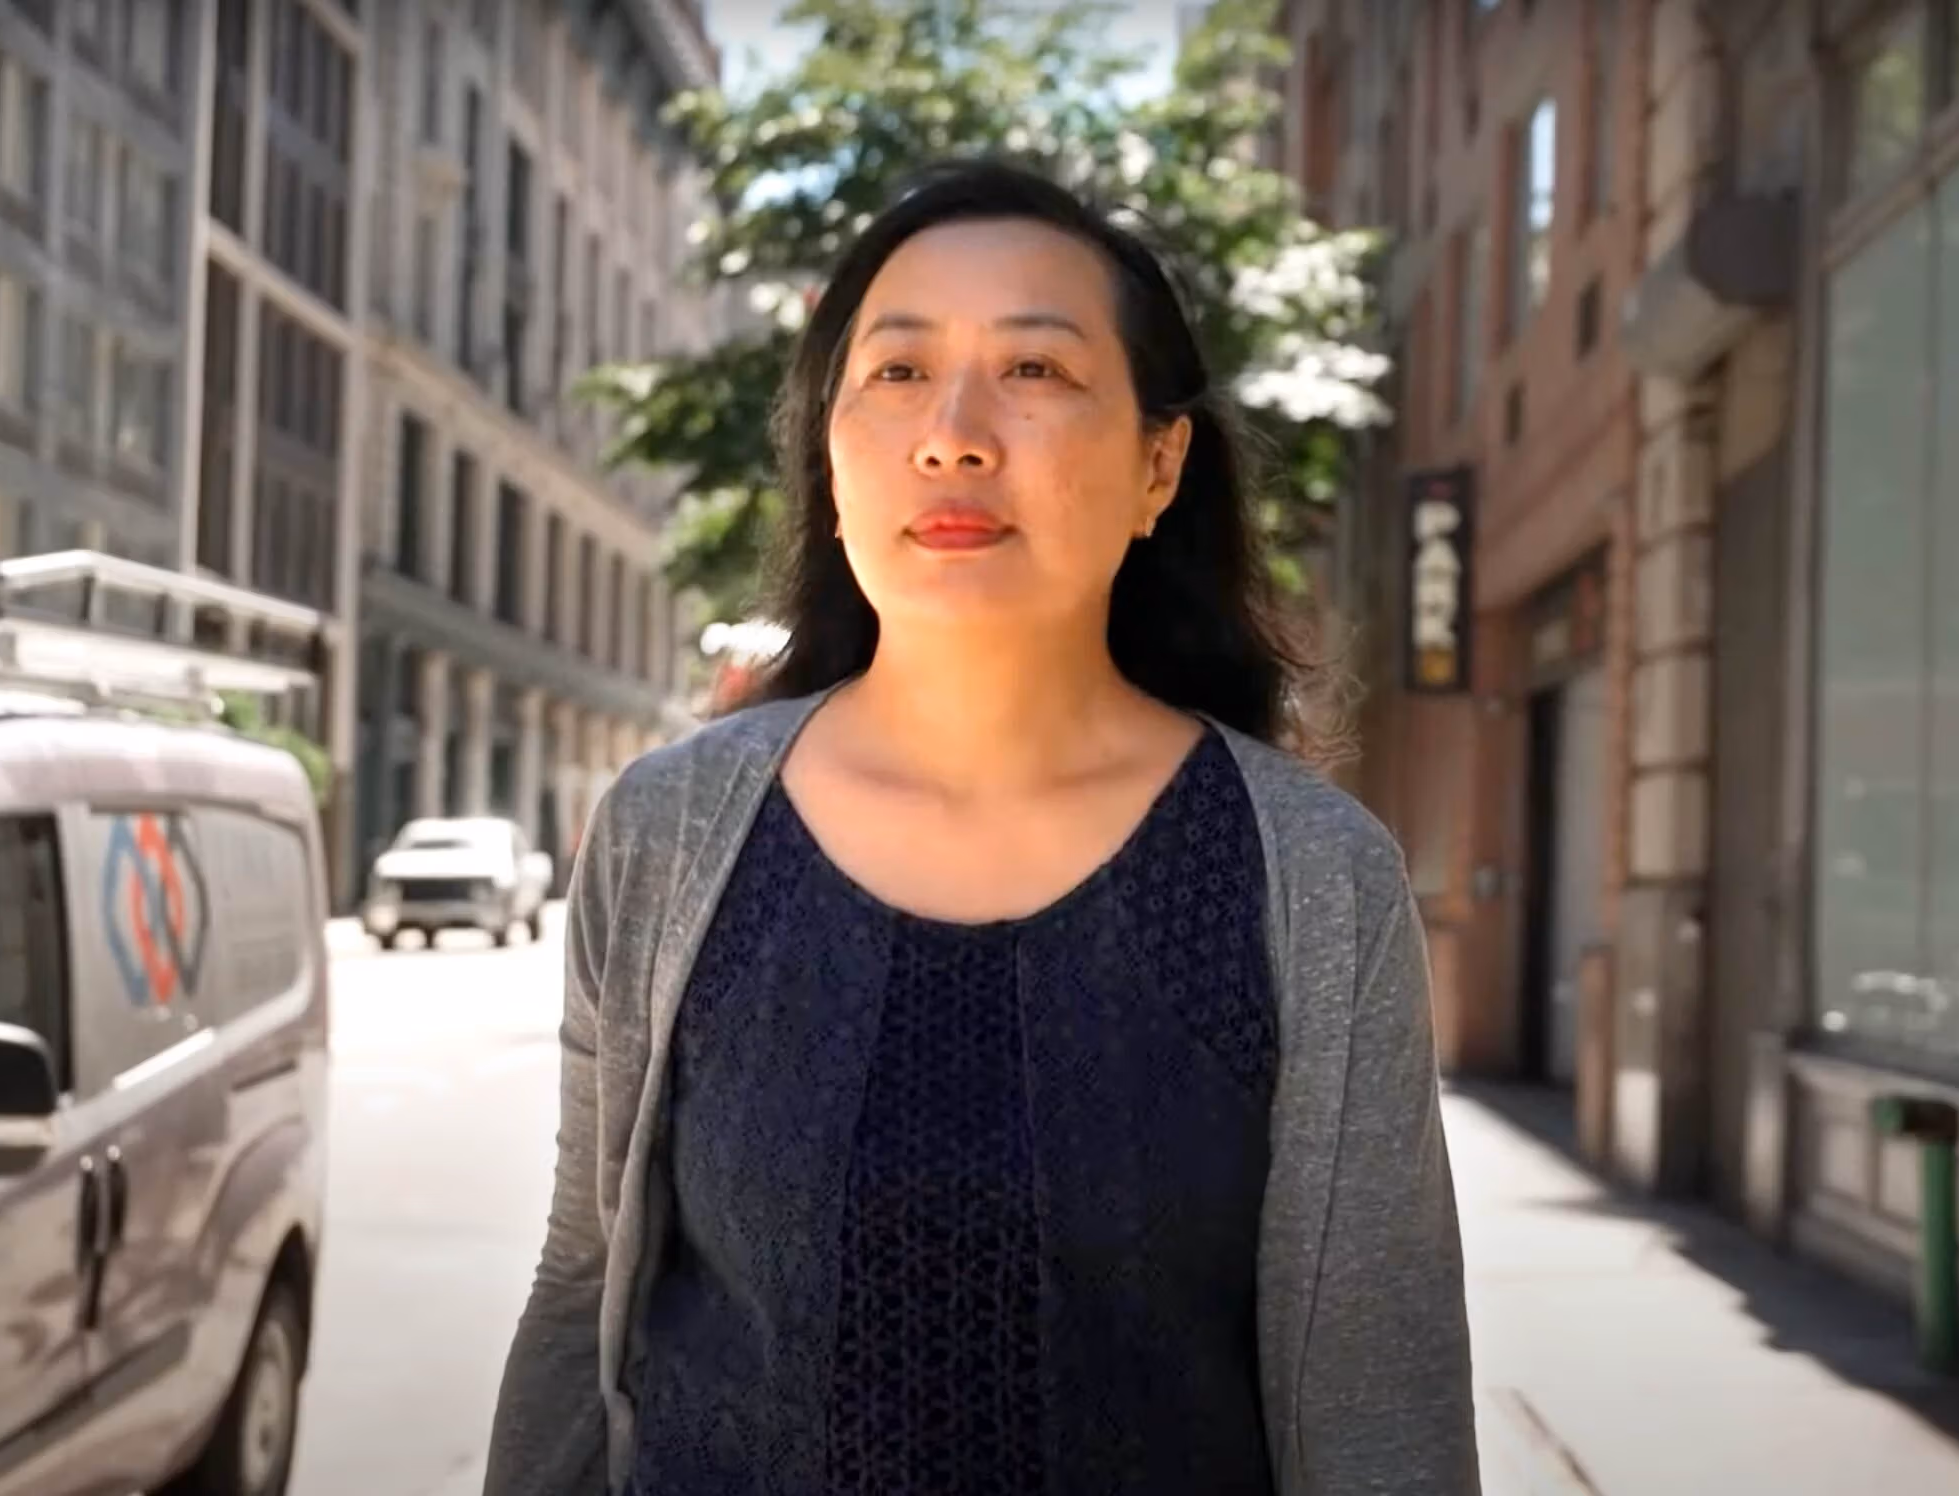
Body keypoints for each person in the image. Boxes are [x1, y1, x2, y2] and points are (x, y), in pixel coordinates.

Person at [483, 157, 1478, 1495]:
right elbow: (583, 1289)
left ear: (1156, 466)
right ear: (830, 455)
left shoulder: (1305, 879)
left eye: (1037, 371)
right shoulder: (670, 832)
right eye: (894, 372)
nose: (951, 431)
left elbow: (1377, 1403)